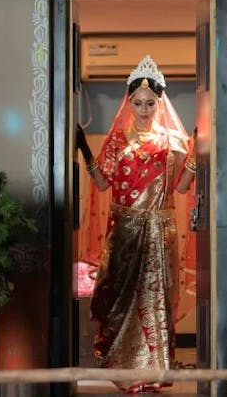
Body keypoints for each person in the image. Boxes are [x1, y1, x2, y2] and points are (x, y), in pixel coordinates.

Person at [75, 55, 196, 394]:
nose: (144, 108)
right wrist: (85, 150)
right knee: (119, 298)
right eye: (138, 103)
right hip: (124, 232)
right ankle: (124, 370)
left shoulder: (173, 141)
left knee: (156, 299)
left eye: (150, 103)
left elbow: (182, 187)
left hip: (160, 231)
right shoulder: (117, 140)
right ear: (129, 103)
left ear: (161, 103)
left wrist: (198, 156)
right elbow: (101, 184)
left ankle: (156, 372)